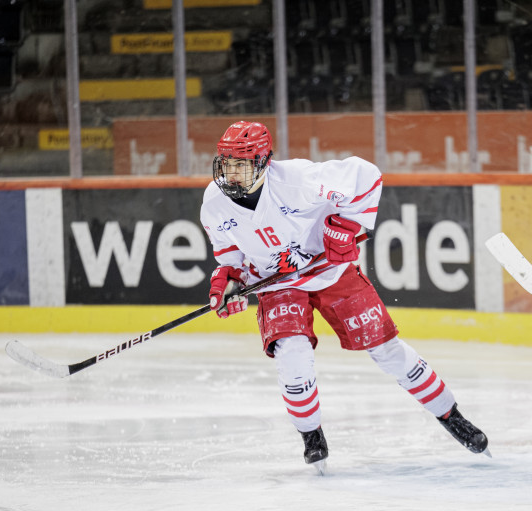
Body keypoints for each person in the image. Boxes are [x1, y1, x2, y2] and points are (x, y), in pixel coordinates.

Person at [199, 121, 489, 471]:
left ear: (263, 161)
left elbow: (367, 177)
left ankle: (451, 415)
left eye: (241, 163)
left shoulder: (299, 180)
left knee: (385, 349)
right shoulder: (215, 203)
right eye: (227, 162)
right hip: (277, 282)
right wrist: (227, 282)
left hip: (330, 273)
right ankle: (312, 437)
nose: (231, 172)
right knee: (293, 353)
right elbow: (230, 258)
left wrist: (345, 229)